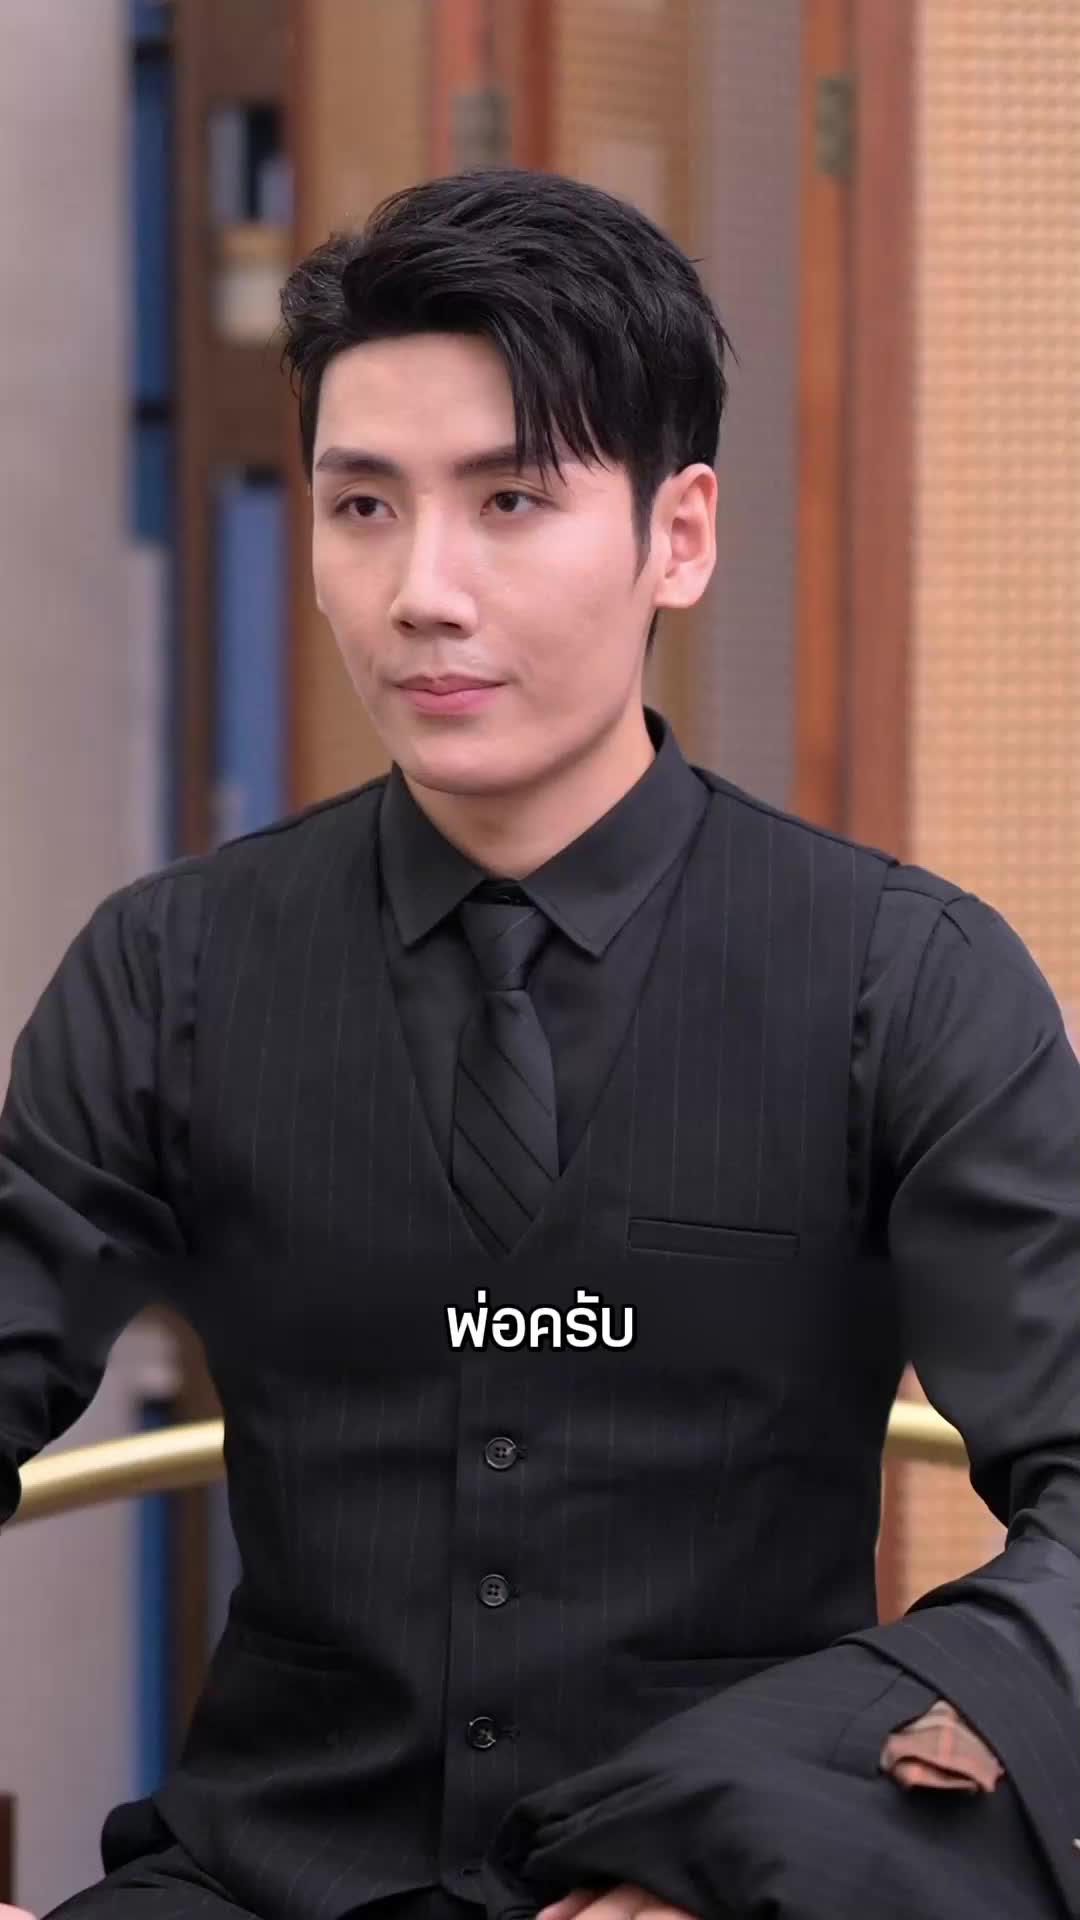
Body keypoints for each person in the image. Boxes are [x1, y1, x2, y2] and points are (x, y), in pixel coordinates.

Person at [1, 167, 1078, 1920]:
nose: (421, 590)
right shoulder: (168, 969)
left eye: (511, 500)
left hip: (730, 1877)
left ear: (679, 535)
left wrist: (782, 1825)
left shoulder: (903, 979)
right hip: (264, 1883)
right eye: (363, 505)